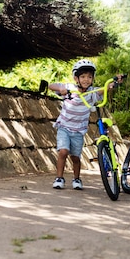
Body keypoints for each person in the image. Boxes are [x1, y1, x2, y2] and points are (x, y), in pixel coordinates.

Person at [46, 59, 104, 190]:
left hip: (78, 131)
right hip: (64, 127)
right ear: (76, 78)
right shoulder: (69, 89)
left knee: (75, 157)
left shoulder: (91, 93)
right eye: (83, 76)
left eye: (89, 77)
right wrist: (61, 88)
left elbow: (103, 90)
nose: (86, 79)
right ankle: (59, 178)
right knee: (63, 152)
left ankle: (77, 179)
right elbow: (51, 85)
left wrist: (111, 85)